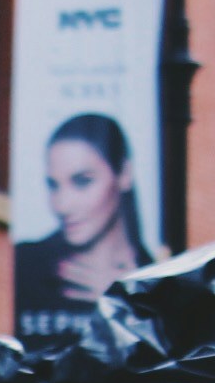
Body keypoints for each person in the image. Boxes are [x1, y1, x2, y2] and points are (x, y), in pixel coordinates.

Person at [11, 113, 154, 344]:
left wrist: (122, 305)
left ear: (124, 173)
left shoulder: (157, 282)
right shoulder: (22, 264)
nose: (62, 205)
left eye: (82, 181)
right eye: (53, 185)